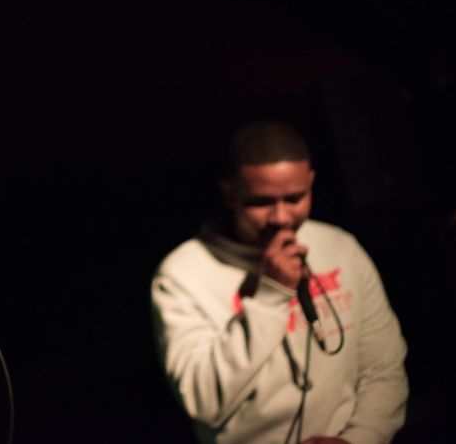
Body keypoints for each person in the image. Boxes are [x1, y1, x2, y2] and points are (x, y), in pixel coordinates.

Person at [151, 120, 408, 444]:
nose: (282, 217)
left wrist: (359, 438)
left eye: (295, 198)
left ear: (311, 182)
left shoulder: (340, 246)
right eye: (261, 202)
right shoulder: (183, 274)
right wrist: (271, 295)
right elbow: (205, 399)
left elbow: (384, 367)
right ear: (230, 192)